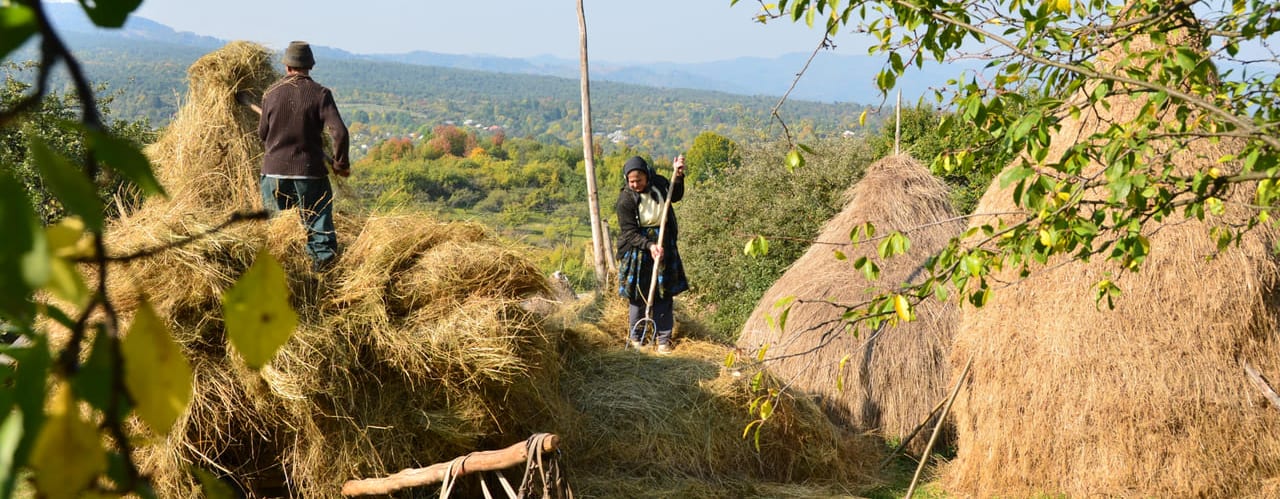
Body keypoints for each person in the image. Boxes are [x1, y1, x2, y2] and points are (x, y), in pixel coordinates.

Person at [258, 40, 351, 273]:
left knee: (275, 230)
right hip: (309, 173)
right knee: (318, 228)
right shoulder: (321, 94)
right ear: (310, 66)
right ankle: (321, 277)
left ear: (287, 67)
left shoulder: (271, 94)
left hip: (273, 174)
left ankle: (281, 277)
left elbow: (262, 134)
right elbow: (339, 132)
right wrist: (340, 163)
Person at [615, 155, 689, 354]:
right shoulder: (625, 200)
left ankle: (663, 339)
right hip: (639, 246)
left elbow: (675, 195)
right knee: (639, 294)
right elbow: (629, 232)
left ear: (647, 176)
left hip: (664, 242)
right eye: (631, 181)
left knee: (663, 292)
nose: (635, 184)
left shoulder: (661, 184)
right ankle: (637, 338)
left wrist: (679, 175)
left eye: (639, 180)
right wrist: (649, 245)